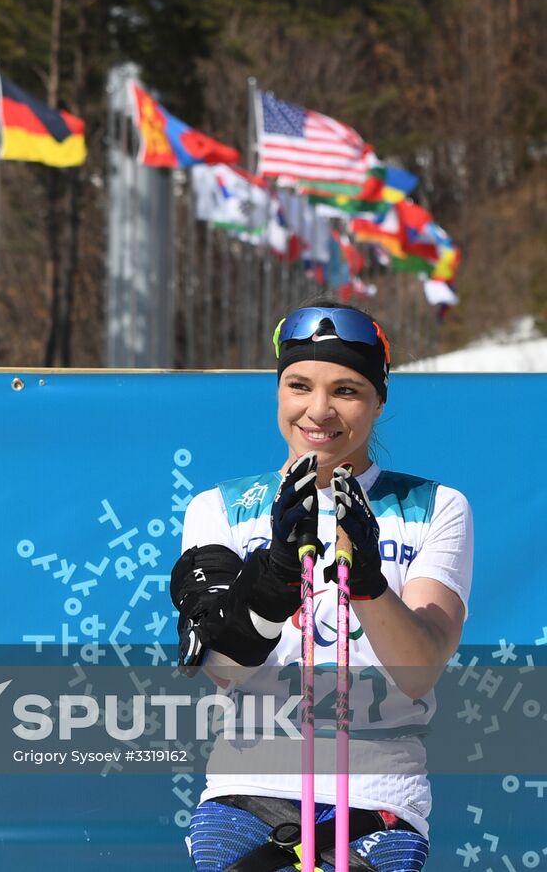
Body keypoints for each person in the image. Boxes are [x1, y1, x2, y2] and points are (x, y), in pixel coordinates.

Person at [169, 299, 472, 871]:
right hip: (246, 794)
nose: (319, 410)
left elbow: (419, 671)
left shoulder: (435, 506)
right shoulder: (221, 507)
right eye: (299, 386)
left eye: (346, 391)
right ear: (278, 392)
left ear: (379, 400)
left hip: (378, 801)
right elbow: (225, 670)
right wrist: (276, 575)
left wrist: (368, 584)